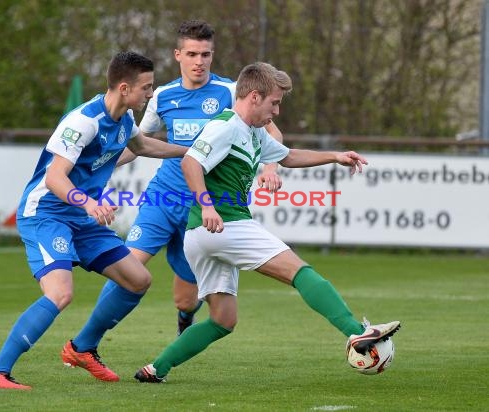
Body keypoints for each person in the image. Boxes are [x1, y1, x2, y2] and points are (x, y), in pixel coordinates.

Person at [134, 62, 401, 383]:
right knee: (301, 272)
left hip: (202, 236)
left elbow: (286, 156)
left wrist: (335, 156)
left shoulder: (253, 132)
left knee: (222, 320)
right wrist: (207, 206)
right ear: (255, 97)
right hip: (224, 225)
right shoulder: (226, 126)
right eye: (274, 103)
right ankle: (358, 333)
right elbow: (191, 162)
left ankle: (156, 369)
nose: (276, 111)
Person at [0, 51, 188, 390]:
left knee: (138, 279)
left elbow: (144, 146)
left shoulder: (124, 121)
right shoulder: (83, 121)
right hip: (46, 214)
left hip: (79, 217)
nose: (150, 94)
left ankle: (83, 348)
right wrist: (88, 203)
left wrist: (190, 150)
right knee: (60, 293)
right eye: (146, 88)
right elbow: (56, 178)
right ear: (124, 88)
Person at [84, 20, 284, 351]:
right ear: (178, 55)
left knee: (185, 297)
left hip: (205, 207)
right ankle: (85, 343)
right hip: (163, 197)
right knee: (129, 265)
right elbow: (140, 143)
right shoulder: (162, 95)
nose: (199, 61)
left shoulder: (230, 92)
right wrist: (97, 170)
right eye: (192, 53)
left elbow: (271, 132)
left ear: (212, 55)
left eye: (206, 54)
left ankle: (185, 320)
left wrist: (270, 166)